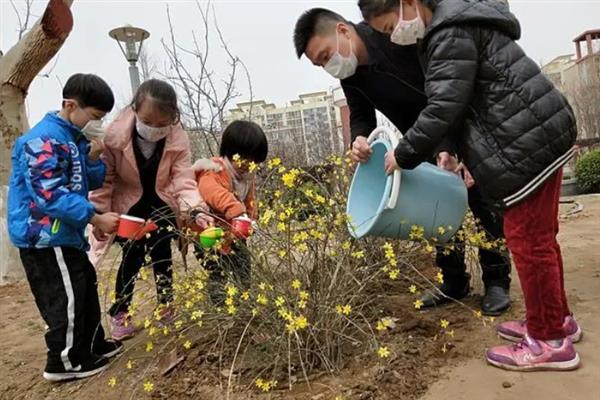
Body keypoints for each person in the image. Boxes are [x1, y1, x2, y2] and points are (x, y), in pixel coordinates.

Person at [358, 0, 582, 371]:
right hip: (536, 133)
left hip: (525, 142)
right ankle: (556, 320)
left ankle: (549, 340)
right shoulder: (454, 24)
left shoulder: (447, 33)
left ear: (408, 4)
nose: (393, 37)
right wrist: (454, 152)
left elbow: (445, 105)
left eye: (388, 27)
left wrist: (405, 152)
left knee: (528, 242)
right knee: (541, 239)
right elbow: (466, 102)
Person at [293, 7, 511, 316]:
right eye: (321, 64)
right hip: (416, 140)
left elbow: (446, 91)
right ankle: (453, 281)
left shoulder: (394, 36)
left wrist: (449, 146)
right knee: (435, 210)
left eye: (327, 55)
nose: (330, 66)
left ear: (342, 31)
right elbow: (361, 114)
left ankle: (497, 281)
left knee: (480, 202)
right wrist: (359, 139)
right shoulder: (351, 73)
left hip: (461, 121)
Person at [8, 73, 123, 381]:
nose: (96, 123)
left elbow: (88, 180)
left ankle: (90, 345)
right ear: (71, 105)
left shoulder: (73, 141)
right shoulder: (43, 140)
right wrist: (95, 217)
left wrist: (95, 159)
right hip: (44, 237)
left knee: (85, 286)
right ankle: (64, 362)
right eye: (95, 116)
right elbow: (49, 194)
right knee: (66, 298)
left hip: (66, 234)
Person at [89, 79, 211, 341]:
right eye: (148, 121)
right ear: (134, 110)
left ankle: (166, 307)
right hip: (129, 205)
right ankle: (120, 313)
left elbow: (183, 179)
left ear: (173, 118)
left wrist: (196, 210)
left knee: (162, 254)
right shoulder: (114, 137)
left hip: (161, 202)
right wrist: (97, 216)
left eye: (161, 124)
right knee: (131, 258)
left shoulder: (178, 139)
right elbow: (104, 181)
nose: (154, 128)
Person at [193, 120, 268, 304]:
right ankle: (221, 309)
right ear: (229, 151)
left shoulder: (246, 178)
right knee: (218, 272)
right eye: (243, 157)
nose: (247, 164)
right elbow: (209, 190)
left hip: (233, 234)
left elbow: (250, 201)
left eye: (253, 160)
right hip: (209, 232)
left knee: (243, 265)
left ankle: (242, 301)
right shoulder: (215, 169)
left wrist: (251, 220)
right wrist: (234, 209)